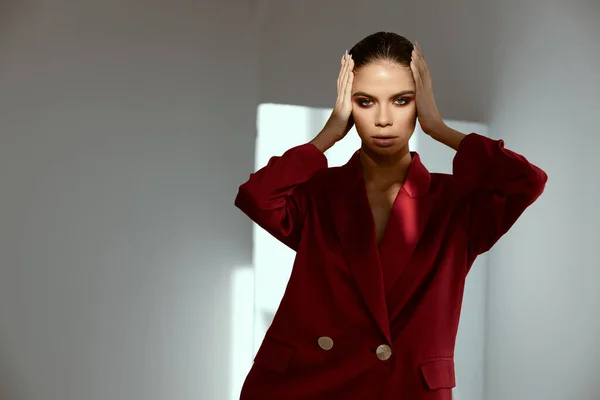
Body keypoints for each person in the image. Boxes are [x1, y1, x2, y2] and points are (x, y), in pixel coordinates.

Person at [234, 32, 547, 400]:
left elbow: (526, 182)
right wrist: (328, 133)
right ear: (348, 106)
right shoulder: (319, 193)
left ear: (420, 104)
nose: (383, 119)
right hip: (306, 383)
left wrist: (438, 127)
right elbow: (257, 196)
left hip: (405, 388)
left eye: (402, 100)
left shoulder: (456, 204)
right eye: (365, 102)